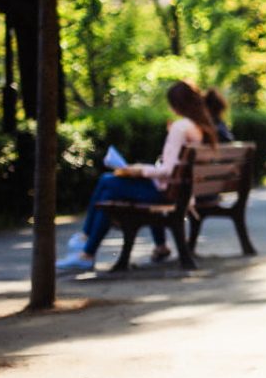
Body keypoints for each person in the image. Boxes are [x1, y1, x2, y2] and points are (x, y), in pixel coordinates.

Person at [56, 80, 220, 273]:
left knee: (107, 183)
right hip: (180, 192)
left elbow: (167, 171)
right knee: (110, 188)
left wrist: (140, 170)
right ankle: (87, 249)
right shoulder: (201, 128)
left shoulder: (180, 127)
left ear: (177, 104)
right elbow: (174, 168)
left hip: (167, 193)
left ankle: (85, 244)